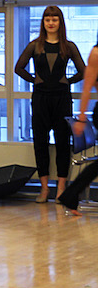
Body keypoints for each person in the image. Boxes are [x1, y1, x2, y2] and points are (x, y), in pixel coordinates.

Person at [14, 6, 85, 202]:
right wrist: (34, 80)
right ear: (43, 22)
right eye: (47, 20)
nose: (51, 23)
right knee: (40, 143)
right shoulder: (34, 45)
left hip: (62, 99)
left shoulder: (68, 46)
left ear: (60, 22)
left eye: (54, 19)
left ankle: (61, 188)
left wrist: (67, 81)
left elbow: (83, 71)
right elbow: (18, 68)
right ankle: (44, 189)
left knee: (63, 143)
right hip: (40, 99)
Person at [59, 32, 98, 216]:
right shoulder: (96, 53)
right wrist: (81, 118)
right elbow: (87, 87)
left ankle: (70, 195)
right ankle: (70, 195)